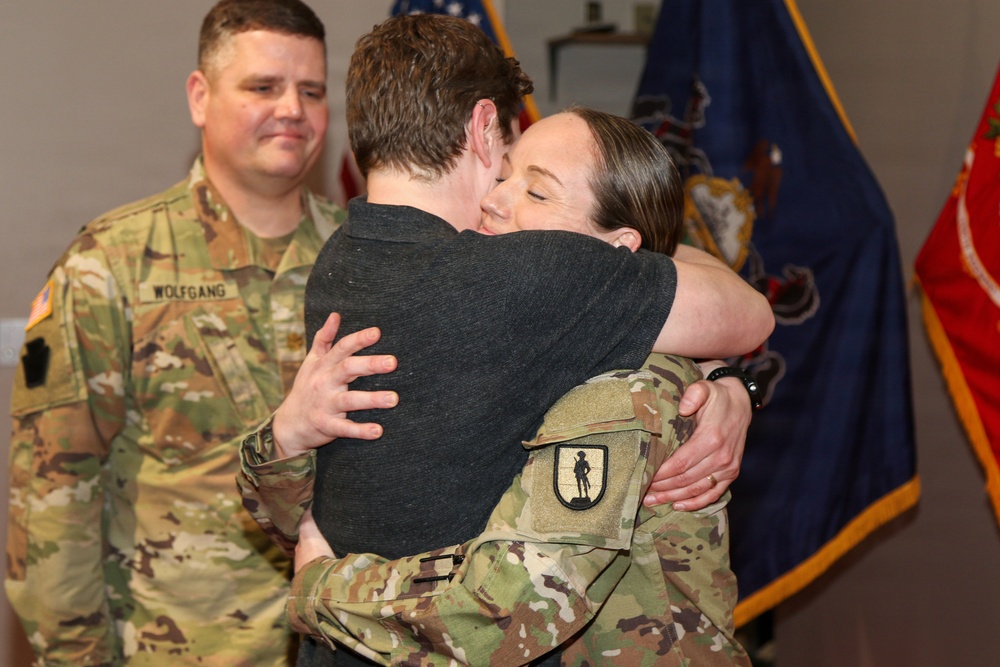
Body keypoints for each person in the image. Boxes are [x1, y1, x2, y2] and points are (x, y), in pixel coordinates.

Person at [266, 13, 770, 666]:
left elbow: (501, 613)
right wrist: (729, 376)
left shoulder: (342, 260)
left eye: (534, 188)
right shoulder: (542, 308)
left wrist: (319, 585)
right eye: (505, 173)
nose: (495, 200)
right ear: (484, 126)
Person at [4, 2, 393, 665]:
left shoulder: (368, 258)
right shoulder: (112, 265)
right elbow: (53, 501)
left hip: (340, 646)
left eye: (311, 91)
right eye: (263, 86)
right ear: (199, 97)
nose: (292, 110)